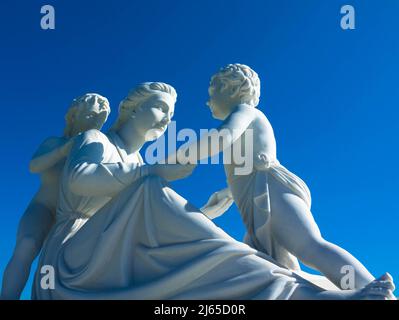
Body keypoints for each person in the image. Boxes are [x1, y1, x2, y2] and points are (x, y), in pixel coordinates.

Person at [32, 82, 393, 300]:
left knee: (210, 255)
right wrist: (154, 169)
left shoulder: (138, 161)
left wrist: (204, 212)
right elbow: (80, 179)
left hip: (111, 250)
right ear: (131, 108)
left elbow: (145, 226)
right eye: (159, 107)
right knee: (154, 191)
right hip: (72, 256)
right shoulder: (95, 139)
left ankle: (296, 289)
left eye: (171, 114)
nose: (166, 120)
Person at [169, 64, 396, 298]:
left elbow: (222, 137)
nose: (207, 102)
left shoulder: (245, 111)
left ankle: (369, 288)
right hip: (257, 202)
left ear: (232, 88)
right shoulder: (245, 116)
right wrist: (229, 192)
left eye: (211, 93)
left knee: (308, 245)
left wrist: (174, 159)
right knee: (263, 270)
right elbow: (244, 166)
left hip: (270, 189)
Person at [1, 93, 110, 300]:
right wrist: (64, 149)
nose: (95, 122)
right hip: (44, 207)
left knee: (69, 262)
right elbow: (34, 166)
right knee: (28, 243)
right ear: (73, 115)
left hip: (74, 216)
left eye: (99, 119)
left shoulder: (97, 150)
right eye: (90, 116)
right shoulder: (55, 142)